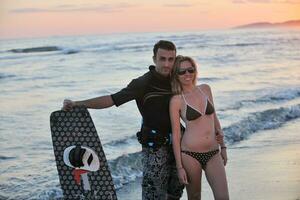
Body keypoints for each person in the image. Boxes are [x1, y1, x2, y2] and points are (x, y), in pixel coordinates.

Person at [62, 40, 185, 200]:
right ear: (154, 59)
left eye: (171, 59)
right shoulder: (142, 83)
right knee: (153, 194)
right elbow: (112, 99)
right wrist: (79, 104)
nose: (167, 64)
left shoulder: (179, 79)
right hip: (155, 145)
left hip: (180, 142)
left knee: (175, 190)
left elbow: (195, 103)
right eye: (162, 59)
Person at [169, 55, 229, 200]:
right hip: (190, 155)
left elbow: (214, 118)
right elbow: (176, 136)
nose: (187, 74)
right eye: (182, 71)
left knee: (223, 197)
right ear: (176, 75)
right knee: (195, 197)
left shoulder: (205, 89)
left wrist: (223, 147)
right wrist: (179, 167)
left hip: (213, 152)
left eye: (190, 69)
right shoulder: (176, 100)